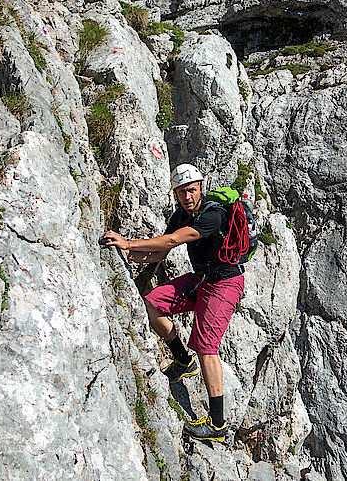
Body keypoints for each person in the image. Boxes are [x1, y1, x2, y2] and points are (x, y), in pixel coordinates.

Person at [102, 163, 244, 442]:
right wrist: (129, 256)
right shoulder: (180, 215)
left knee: (206, 346)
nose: (187, 196)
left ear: (201, 188)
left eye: (191, 190)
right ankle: (182, 359)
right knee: (152, 303)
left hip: (224, 284)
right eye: (181, 192)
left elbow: (172, 239)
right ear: (176, 193)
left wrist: (128, 243)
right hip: (201, 279)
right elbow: (161, 251)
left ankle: (217, 426)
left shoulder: (212, 216)